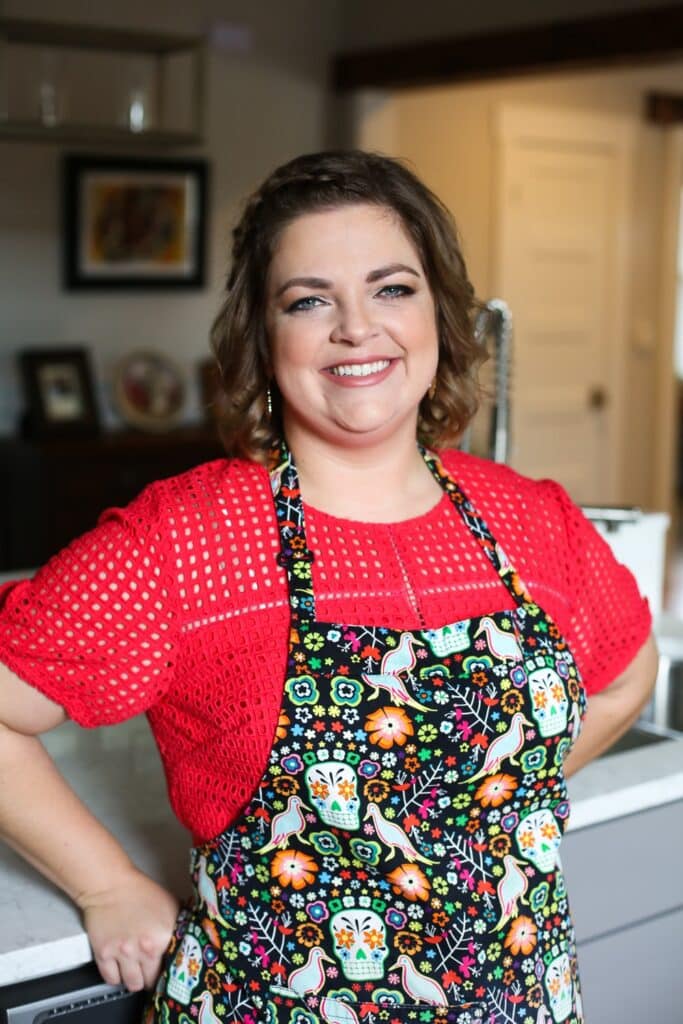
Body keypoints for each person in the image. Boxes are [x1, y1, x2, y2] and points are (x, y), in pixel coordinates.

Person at [0, 150, 656, 1024]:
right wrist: (106, 884)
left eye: (392, 289)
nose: (357, 327)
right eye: (309, 300)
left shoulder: (529, 519)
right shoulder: (187, 538)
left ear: (439, 315)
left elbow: (624, 672)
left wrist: (495, 789)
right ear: (264, 339)